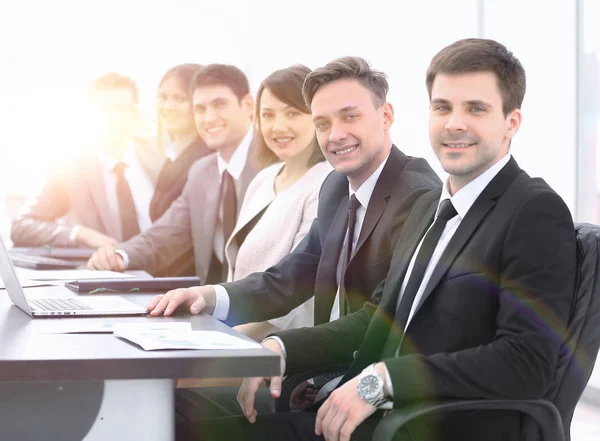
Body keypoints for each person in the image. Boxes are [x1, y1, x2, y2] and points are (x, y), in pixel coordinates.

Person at [181, 38, 578, 441]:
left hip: (421, 425)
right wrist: (280, 349)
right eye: (442, 107)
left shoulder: (532, 211)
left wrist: (383, 381)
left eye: (475, 108)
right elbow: (378, 320)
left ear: (512, 122)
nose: (453, 123)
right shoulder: (433, 207)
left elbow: (528, 361)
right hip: (362, 413)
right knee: (176, 413)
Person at [147, 56, 441, 331]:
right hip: (318, 365)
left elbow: (378, 320)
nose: (335, 134)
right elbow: (288, 280)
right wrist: (208, 295)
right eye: (323, 123)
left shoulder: (417, 194)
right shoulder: (336, 187)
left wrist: (280, 347)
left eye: (350, 117)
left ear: (386, 116)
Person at [87, 64, 259, 283]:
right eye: (200, 109)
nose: (208, 118)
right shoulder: (202, 172)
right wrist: (119, 255)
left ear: (248, 106)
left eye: (219, 105)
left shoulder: (274, 163)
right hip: (213, 305)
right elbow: (166, 234)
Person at [227, 65, 332, 341]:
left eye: (293, 113)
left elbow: (298, 294)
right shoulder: (264, 179)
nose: (277, 126)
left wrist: (227, 341)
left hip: (283, 347)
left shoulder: (327, 184)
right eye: (267, 114)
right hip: (235, 333)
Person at [11, 73, 163, 248]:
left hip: (164, 270)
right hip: (104, 271)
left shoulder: (158, 157)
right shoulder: (69, 168)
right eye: (104, 109)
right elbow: (21, 226)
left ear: (134, 112)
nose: (113, 117)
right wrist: (79, 234)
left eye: (121, 108)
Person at [148, 63, 211, 276]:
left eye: (179, 98)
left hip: (186, 286)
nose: (168, 106)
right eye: (163, 97)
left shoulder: (205, 160)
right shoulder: (173, 156)